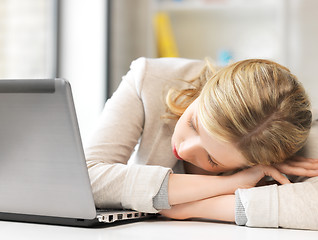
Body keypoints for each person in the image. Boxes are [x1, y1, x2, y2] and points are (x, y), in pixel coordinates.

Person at [85, 57, 318, 230]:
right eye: (194, 123)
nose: (184, 149)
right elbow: (86, 178)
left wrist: (193, 208)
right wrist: (231, 183)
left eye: (212, 159)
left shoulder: (290, 132)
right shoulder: (149, 79)